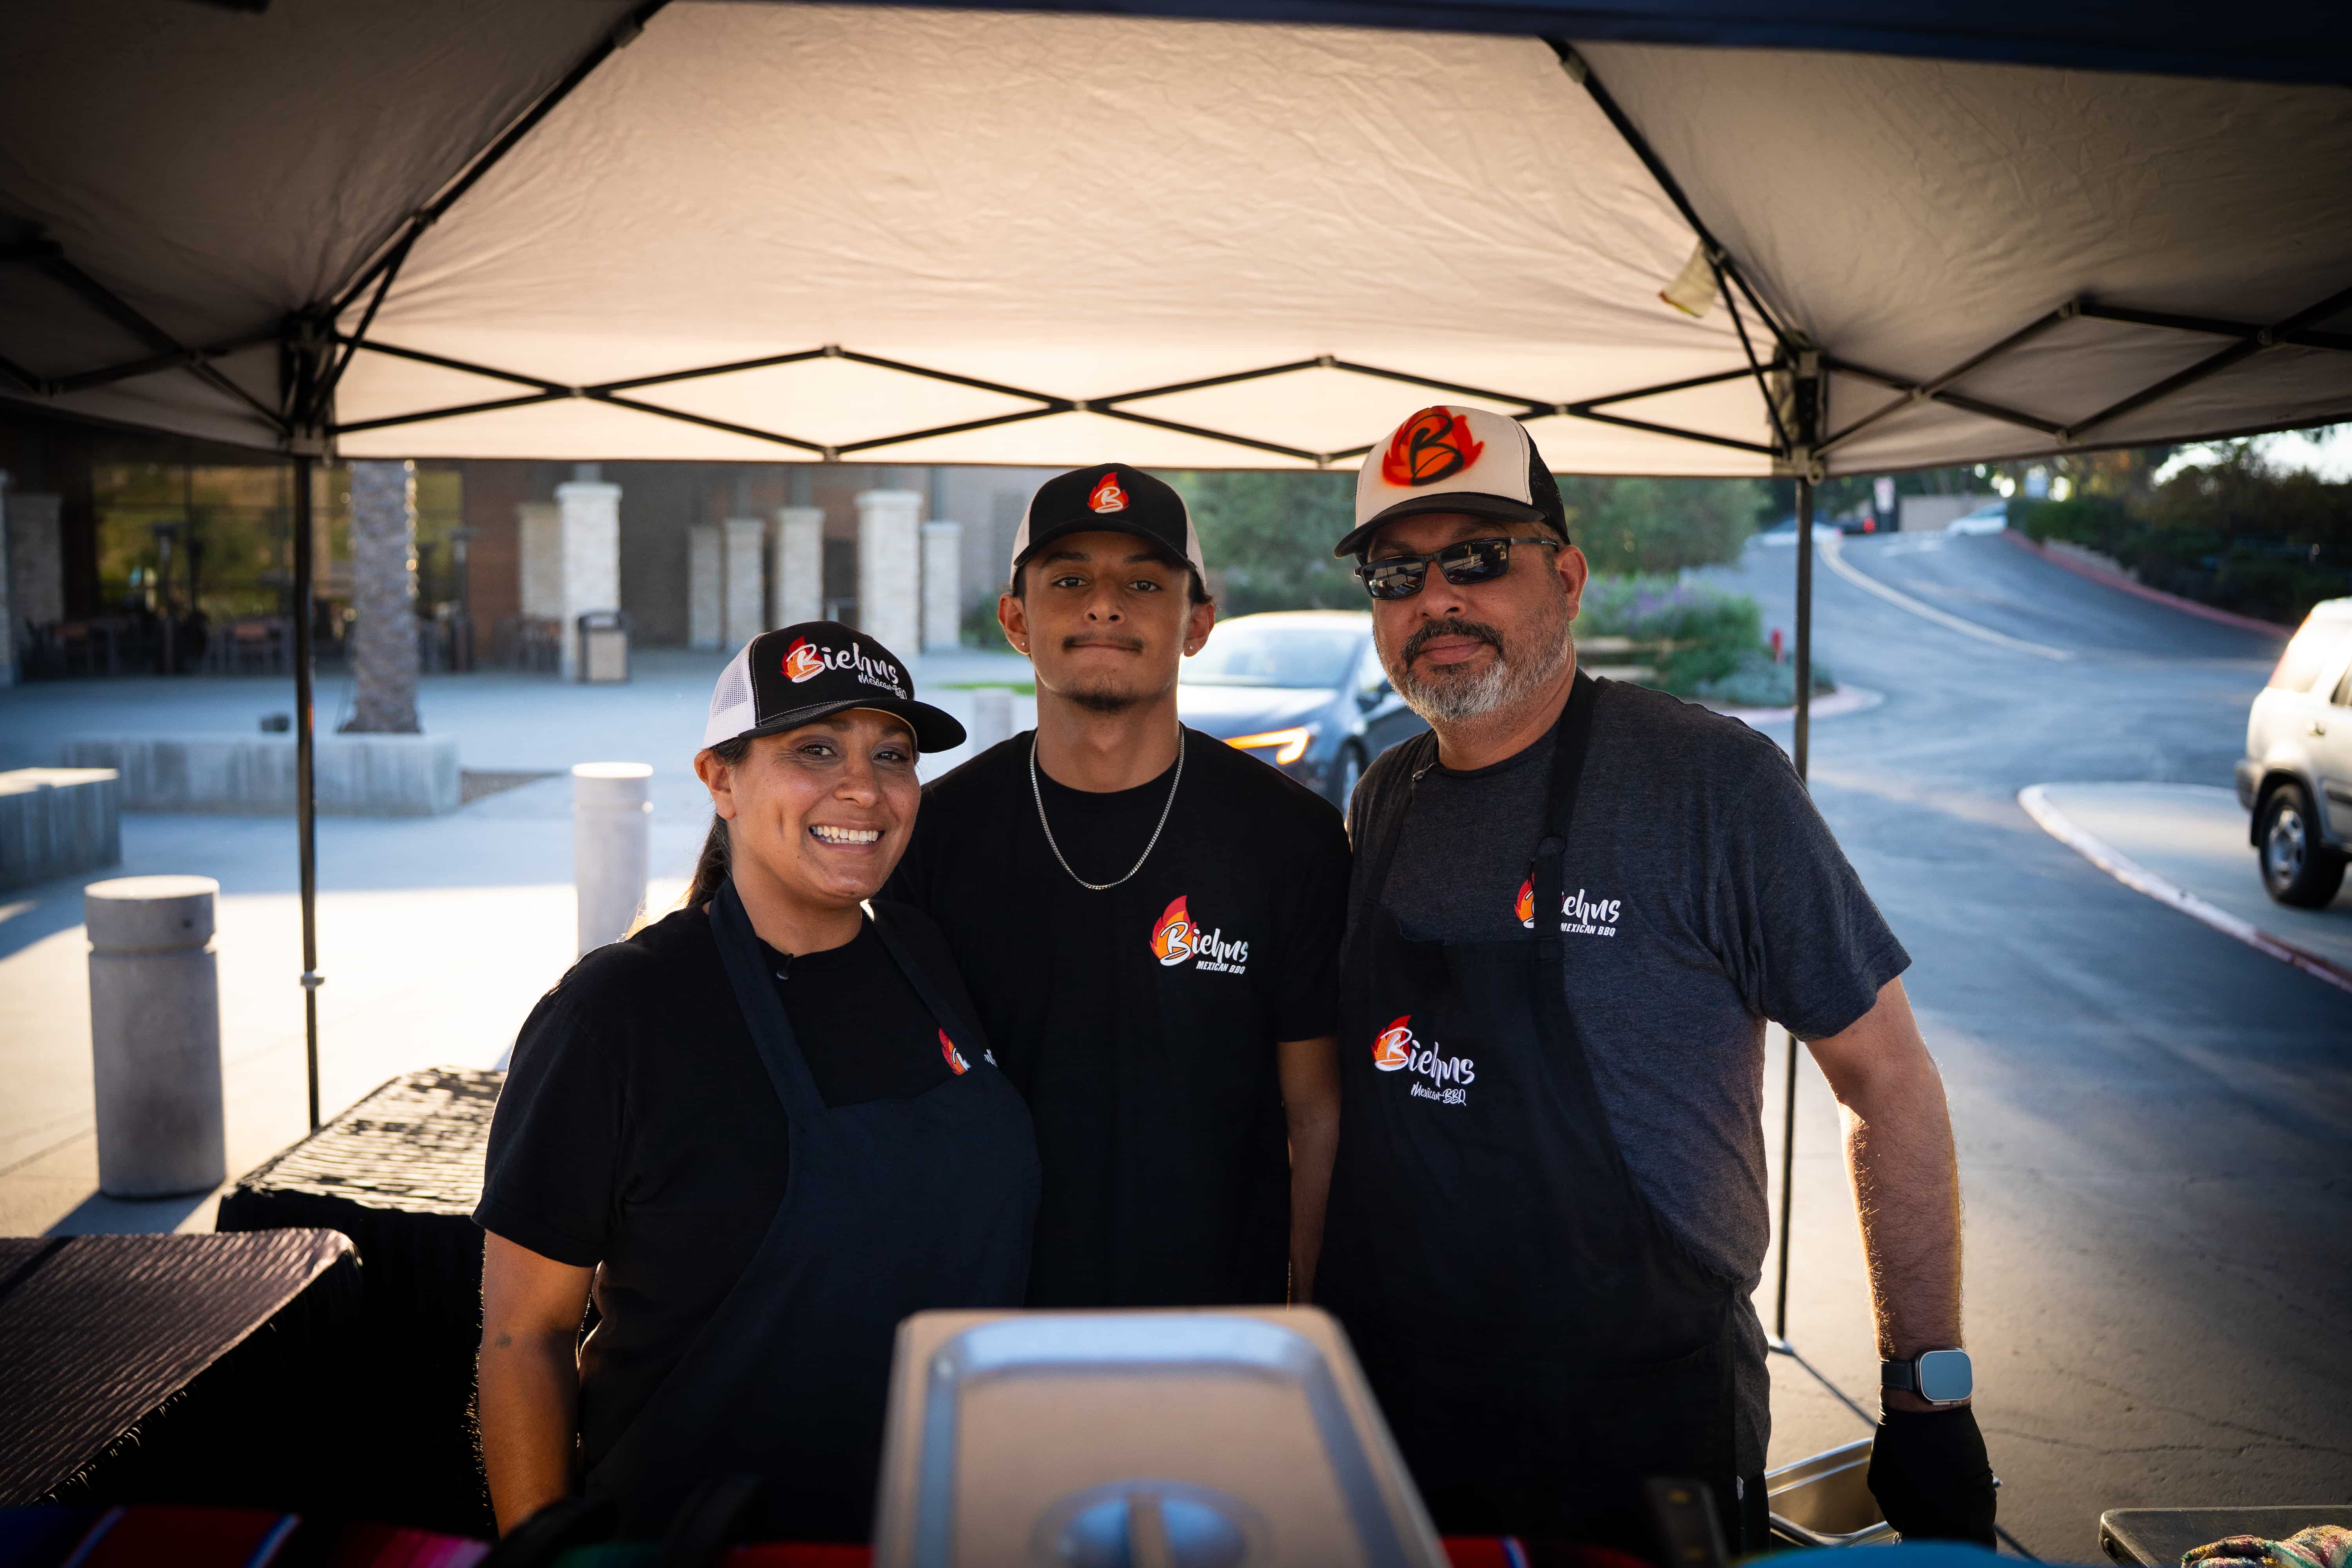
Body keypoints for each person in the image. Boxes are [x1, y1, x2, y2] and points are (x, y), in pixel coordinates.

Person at [1315, 406, 1996, 1553]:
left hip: (1641, 1419)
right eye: (1399, 572)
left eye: (1480, 558)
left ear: (1568, 577)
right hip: (1405, 1412)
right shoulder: (1384, 796)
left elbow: (1887, 1083)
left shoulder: (1712, 783)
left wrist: (1926, 1394)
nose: (1437, 599)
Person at [474, 623, 1037, 1541]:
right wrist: (549, 1558)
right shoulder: (618, 1011)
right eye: (816, 749)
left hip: (943, 1522)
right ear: (721, 779)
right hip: (695, 1539)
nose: (864, 785)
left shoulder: (926, 958)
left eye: (891, 754)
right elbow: (521, 1337)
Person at [884, 463, 1348, 1309]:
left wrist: (1308, 1329)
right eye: (1070, 579)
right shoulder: (934, 835)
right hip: (994, 1323)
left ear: (1198, 621)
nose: (1105, 603)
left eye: (1143, 580)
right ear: (1016, 619)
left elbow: (1315, 1115)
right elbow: (904, 1115)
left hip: (1222, 1331)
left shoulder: (1291, 838)